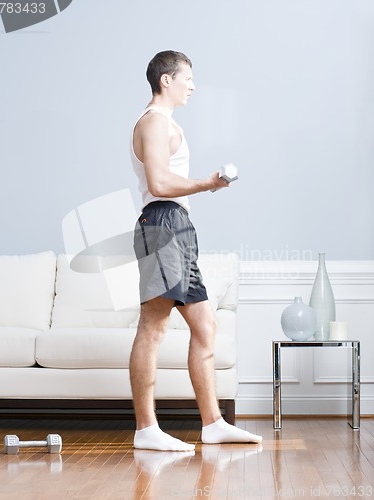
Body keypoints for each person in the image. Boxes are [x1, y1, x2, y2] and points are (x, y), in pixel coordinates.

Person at [130, 50, 262, 451]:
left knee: (206, 327)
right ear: (165, 80)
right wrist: (207, 183)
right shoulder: (154, 122)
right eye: (187, 77)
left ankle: (213, 424)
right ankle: (146, 429)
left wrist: (205, 186)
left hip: (178, 227)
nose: (193, 85)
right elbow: (158, 184)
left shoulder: (167, 124)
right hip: (162, 225)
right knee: (153, 326)